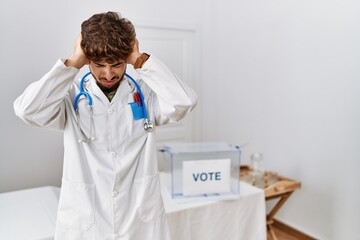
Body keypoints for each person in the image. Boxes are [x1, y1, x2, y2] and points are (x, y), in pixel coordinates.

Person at [14, 11, 197, 240]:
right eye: (99, 64)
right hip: (87, 223)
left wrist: (139, 58)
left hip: (138, 221)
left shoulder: (145, 94)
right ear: (87, 58)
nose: (108, 73)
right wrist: (73, 62)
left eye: (117, 64)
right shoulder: (71, 97)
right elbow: (27, 110)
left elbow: (185, 101)